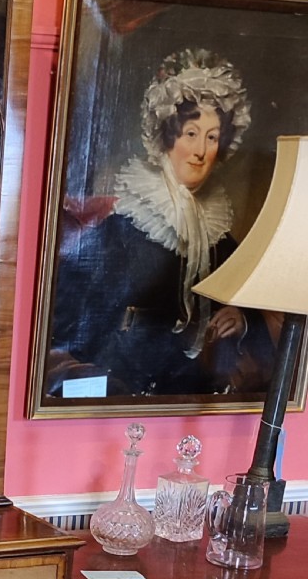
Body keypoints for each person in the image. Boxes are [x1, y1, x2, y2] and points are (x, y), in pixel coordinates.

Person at [46, 48, 276, 398]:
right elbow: (69, 321)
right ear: (167, 137)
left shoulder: (219, 236)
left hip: (195, 395)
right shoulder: (122, 227)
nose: (201, 150)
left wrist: (242, 318)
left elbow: (253, 301)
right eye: (191, 133)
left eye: (212, 137)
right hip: (122, 390)